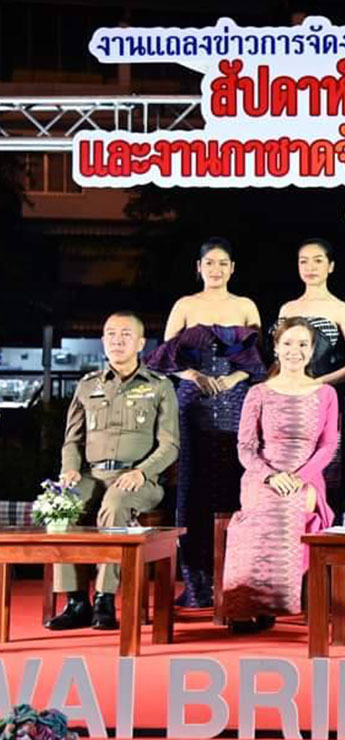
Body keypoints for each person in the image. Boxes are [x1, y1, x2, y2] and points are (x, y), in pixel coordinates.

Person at [145, 236, 266, 608]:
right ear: (198, 268)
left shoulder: (245, 306)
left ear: (233, 268)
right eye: (209, 263)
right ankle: (196, 585)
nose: (216, 269)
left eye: (223, 263)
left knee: (233, 483)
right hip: (192, 400)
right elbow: (164, 360)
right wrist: (195, 376)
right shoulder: (185, 304)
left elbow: (258, 360)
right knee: (192, 487)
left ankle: (234, 580)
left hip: (235, 399)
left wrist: (232, 379)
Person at [47, 312, 179, 631]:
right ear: (103, 340)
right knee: (61, 506)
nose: (117, 340)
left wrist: (142, 472)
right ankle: (76, 602)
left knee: (116, 502)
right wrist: (70, 470)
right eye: (111, 334)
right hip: (92, 475)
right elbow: (72, 440)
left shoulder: (159, 386)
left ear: (141, 343)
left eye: (125, 334)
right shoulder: (87, 385)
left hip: (139, 479)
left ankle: (104, 599)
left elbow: (170, 445)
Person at [221, 318, 339, 632]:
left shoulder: (325, 393)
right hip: (263, 475)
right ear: (276, 348)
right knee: (260, 509)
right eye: (287, 343)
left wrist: (299, 477)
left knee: (288, 506)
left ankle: (274, 603)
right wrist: (270, 476)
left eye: (302, 344)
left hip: (306, 478)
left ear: (312, 351)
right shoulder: (258, 393)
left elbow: (328, 446)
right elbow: (246, 447)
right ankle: (246, 606)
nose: (294, 351)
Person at [276, 237, 345, 517]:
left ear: (331, 266)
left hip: (322, 398)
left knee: (326, 467)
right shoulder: (288, 309)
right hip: (285, 399)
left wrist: (317, 384)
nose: (310, 267)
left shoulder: (340, 308)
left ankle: (325, 529)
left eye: (318, 261)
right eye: (304, 261)